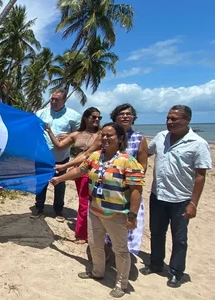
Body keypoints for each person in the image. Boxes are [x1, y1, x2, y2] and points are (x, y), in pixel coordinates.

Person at [49, 122, 145, 298]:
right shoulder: (95, 156)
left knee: (120, 250)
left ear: (120, 138)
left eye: (110, 135)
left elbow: (136, 191)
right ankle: (97, 272)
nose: (106, 138)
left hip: (116, 215)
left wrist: (132, 216)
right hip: (95, 211)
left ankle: (121, 284)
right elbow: (79, 170)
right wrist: (60, 178)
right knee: (94, 244)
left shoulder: (128, 162)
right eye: (104, 135)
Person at [143, 105, 212, 288]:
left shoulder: (198, 143)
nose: (169, 122)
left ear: (187, 120)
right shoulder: (160, 136)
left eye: (174, 119)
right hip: (158, 195)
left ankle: (175, 272)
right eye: (168, 118)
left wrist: (193, 203)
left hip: (181, 199)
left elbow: (200, 176)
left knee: (179, 238)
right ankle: (156, 264)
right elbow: (145, 152)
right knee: (156, 232)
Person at [46, 107, 102, 244]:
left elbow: (86, 154)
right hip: (80, 171)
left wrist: (64, 166)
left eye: (99, 118)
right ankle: (82, 234)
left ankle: (94, 233)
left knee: (97, 203)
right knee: (84, 202)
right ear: (85, 118)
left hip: (97, 172)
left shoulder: (102, 134)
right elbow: (59, 146)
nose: (96, 120)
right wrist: (50, 131)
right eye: (93, 117)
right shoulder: (76, 134)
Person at [32, 88, 81, 221]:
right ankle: (39, 207)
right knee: (40, 182)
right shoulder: (41, 113)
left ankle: (58, 210)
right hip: (41, 156)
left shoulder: (74, 116)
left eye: (57, 99)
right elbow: (33, 130)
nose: (53, 101)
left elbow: (80, 136)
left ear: (64, 100)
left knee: (59, 183)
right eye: (52, 98)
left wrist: (69, 136)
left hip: (61, 158)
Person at [106, 104, 149, 255]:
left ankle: (124, 259)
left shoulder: (139, 139)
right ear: (115, 118)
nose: (125, 116)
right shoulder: (107, 136)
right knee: (107, 224)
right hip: (108, 188)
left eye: (129, 114)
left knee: (127, 226)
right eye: (122, 114)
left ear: (133, 118)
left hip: (128, 190)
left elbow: (143, 165)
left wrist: (131, 182)